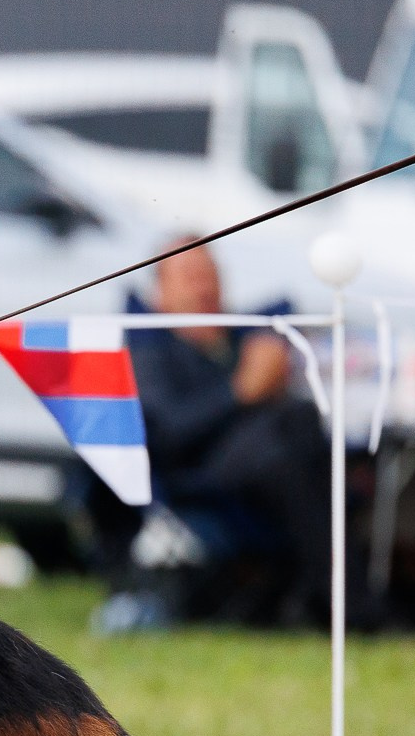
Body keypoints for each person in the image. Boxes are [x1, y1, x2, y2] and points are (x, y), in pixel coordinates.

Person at [101, 240, 333, 627]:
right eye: (190, 276)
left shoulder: (243, 336)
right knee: (284, 454)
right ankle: (340, 600)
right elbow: (167, 432)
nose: (204, 287)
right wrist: (240, 390)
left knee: (302, 424)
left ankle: (336, 594)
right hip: (196, 474)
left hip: (273, 456)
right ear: (161, 292)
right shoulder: (151, 347)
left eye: (211, 275)